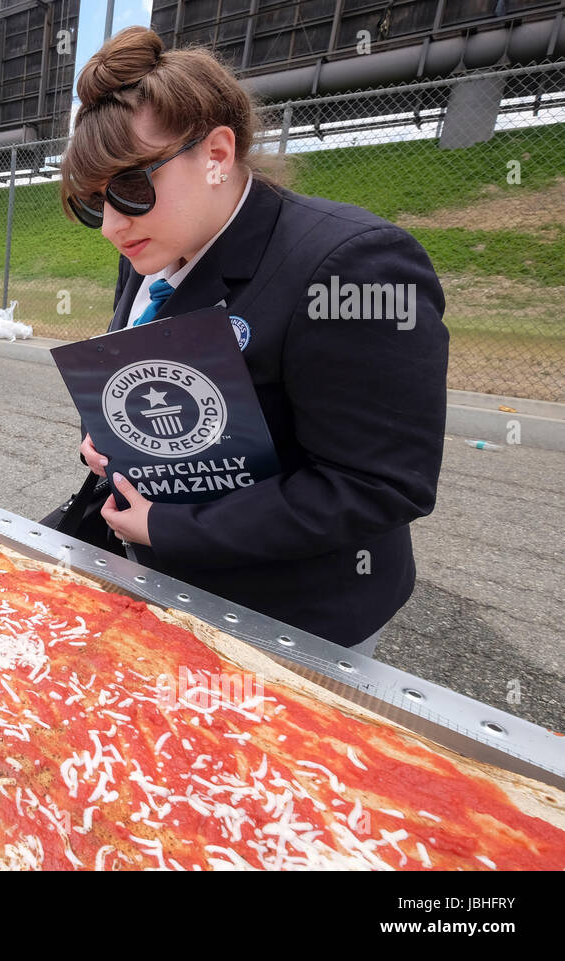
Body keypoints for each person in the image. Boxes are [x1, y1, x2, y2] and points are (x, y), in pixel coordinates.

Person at [60, 27, 448, 651]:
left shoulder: (351, 264)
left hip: (292, 614)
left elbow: (378, 485)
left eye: (130, 189)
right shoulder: (150, 249)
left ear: (216, 153)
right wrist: (110, 442)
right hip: (158, 580)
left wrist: (171, 528)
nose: (110, 226)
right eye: (91, 204)